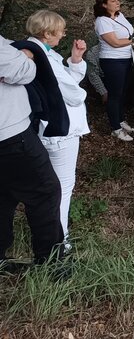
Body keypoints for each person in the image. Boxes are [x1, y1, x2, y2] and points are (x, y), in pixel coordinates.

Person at [0, 31, 65, 272]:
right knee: (45, 191)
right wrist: (25, 56)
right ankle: (51, 264)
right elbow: (24, 71)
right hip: (10, 133)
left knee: (3, 195)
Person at [26, 10, 90, 251]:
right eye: (60, 31)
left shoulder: (42, 53)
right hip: (60, 130)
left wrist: (75, 59)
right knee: (61, 187)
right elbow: (71, 93)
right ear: (47, 33)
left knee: (50, 185)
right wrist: (81, 94)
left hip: (52, 128)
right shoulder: (42, 57)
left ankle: (53, 234)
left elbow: (66, 82)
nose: (63, 35)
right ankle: (59, 241)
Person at [93, 0, 134, 142]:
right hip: (113, 61)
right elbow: (115, 42)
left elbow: (131, 32)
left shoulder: (120, 16)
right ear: (104, 5)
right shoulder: (102, 21)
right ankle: (116, 128)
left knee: (123, 92)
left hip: (127, 58)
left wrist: (133, 39)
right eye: (113, 1)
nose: (117, 3)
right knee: (114, 94)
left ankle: (120, 120)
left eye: (118, 0)